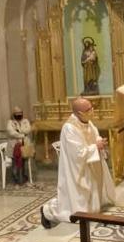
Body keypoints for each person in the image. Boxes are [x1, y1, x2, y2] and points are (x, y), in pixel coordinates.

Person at [40, 97, 116, 228]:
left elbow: (94, 136)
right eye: (89, 109)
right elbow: (77, 153)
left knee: (90, 198)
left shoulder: (88, 122)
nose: (92, 111)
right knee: (74, 204)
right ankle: (48, 211)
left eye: (92, 108)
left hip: (90, 165)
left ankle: (90, 212)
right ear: (80, 113)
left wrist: (99, 143)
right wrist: (95, 147)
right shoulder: (69, 128)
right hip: (76, 168)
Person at [6, 106, 33, 185]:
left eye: (20, 113)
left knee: (23, 163)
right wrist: (22, 134)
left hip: (25, 146)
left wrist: (19, 131)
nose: (19, 114)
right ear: (14, 114)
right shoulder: (10, 122)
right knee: (15, 164)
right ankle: (16, 180)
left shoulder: (25, 121)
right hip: (14, 147)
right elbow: (11, 132)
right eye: (17, 113)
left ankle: (22, 179)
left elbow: (28, 129)